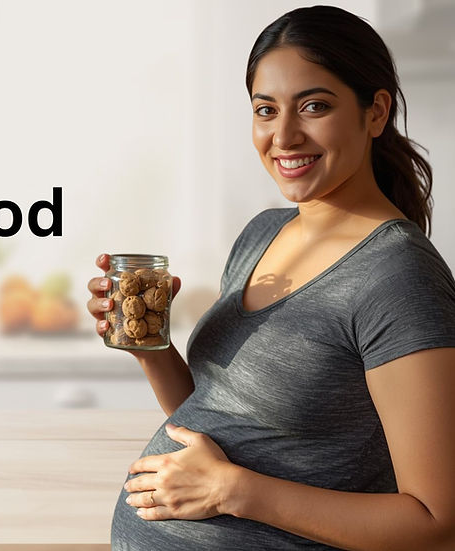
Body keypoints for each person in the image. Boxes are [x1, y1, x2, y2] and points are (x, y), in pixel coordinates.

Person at [85, 6, 455, 550]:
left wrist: (234, 492)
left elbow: (434, 524)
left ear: (376, 113)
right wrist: (151, 346)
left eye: (314, 106)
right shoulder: (264, 233)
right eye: (266, 109)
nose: (284, 135)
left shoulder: (399, 278)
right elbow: (224, 418)